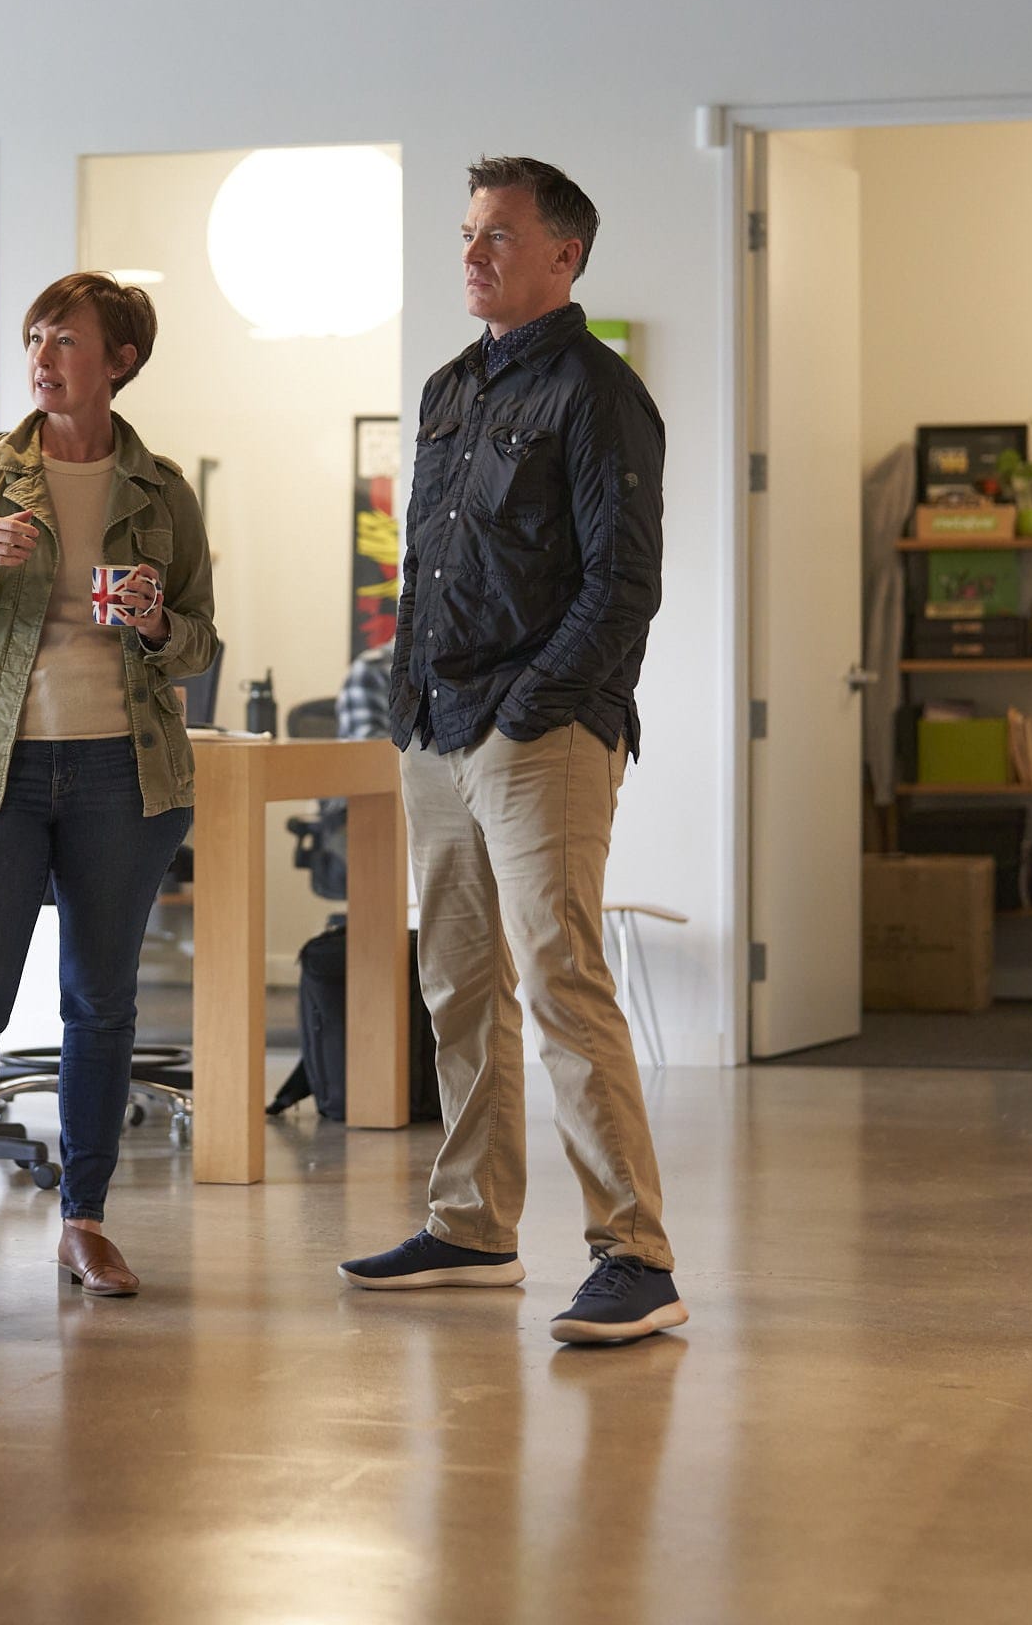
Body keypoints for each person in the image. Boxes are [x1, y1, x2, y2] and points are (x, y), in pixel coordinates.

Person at [339, 156, 684, 1346]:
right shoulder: (447, 389)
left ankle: (634, 1251)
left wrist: (529, 706)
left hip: (543, 736)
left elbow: (623, 582)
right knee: (458, 982)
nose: (474, 252)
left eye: (498, 234)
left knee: (562, 977)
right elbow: (423, 567)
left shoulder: (600, 393)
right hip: (436, 727)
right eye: (468, 232)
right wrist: (409, 701)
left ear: (564, 256)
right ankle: (474, 1223)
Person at [0, 272, 219, 1322]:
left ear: (118, 361)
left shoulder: (162, 489)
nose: (42, 357)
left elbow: (202, 640)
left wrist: (159, 624)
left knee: (100, 1002)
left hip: (123, 771)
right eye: (35, 337)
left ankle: (84, 1218)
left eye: (65, 340)